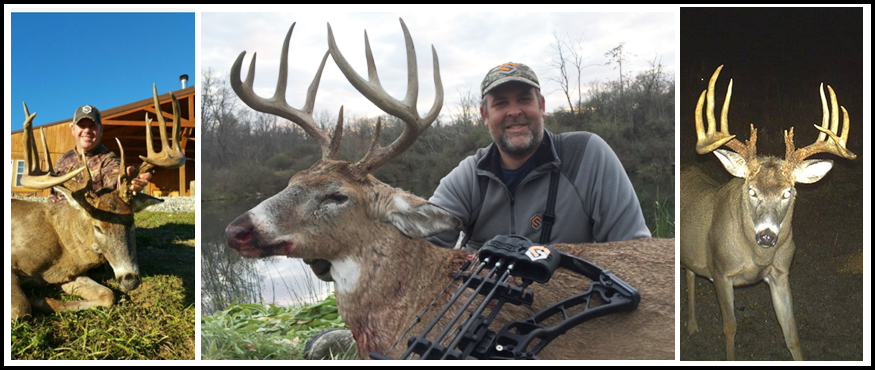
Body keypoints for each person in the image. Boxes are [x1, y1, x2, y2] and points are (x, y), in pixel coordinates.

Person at [427, 62, 650, 250]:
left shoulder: (586, 156)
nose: (514, 112)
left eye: (524, 99)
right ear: (485, 115)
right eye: (501, 103)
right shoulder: (469, 176)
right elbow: (422, 245)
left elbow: (634, 251)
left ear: (541, 106)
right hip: (481, 299)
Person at [49, 104, 151, 204]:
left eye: (92, 126)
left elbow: (114, 180)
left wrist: (125, 182)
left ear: (100, 130)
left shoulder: (109, 160)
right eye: (82, 125)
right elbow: (53, 196)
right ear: (73, 129)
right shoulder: (62, 160)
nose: (87, 130)